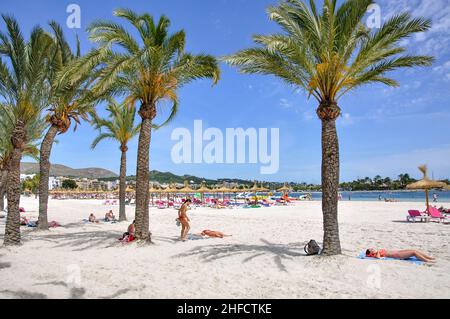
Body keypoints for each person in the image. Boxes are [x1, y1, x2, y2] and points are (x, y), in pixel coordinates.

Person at [366, 248, 435, 263]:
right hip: (398, 255)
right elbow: (378, 258)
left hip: (398, 251)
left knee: (414, 250)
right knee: (414, 252)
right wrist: (377, 252)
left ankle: (429, 258)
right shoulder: (376, 254)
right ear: (371, 253)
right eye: (371, 249)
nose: (373, 248)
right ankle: (427, 260)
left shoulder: (377, 251)